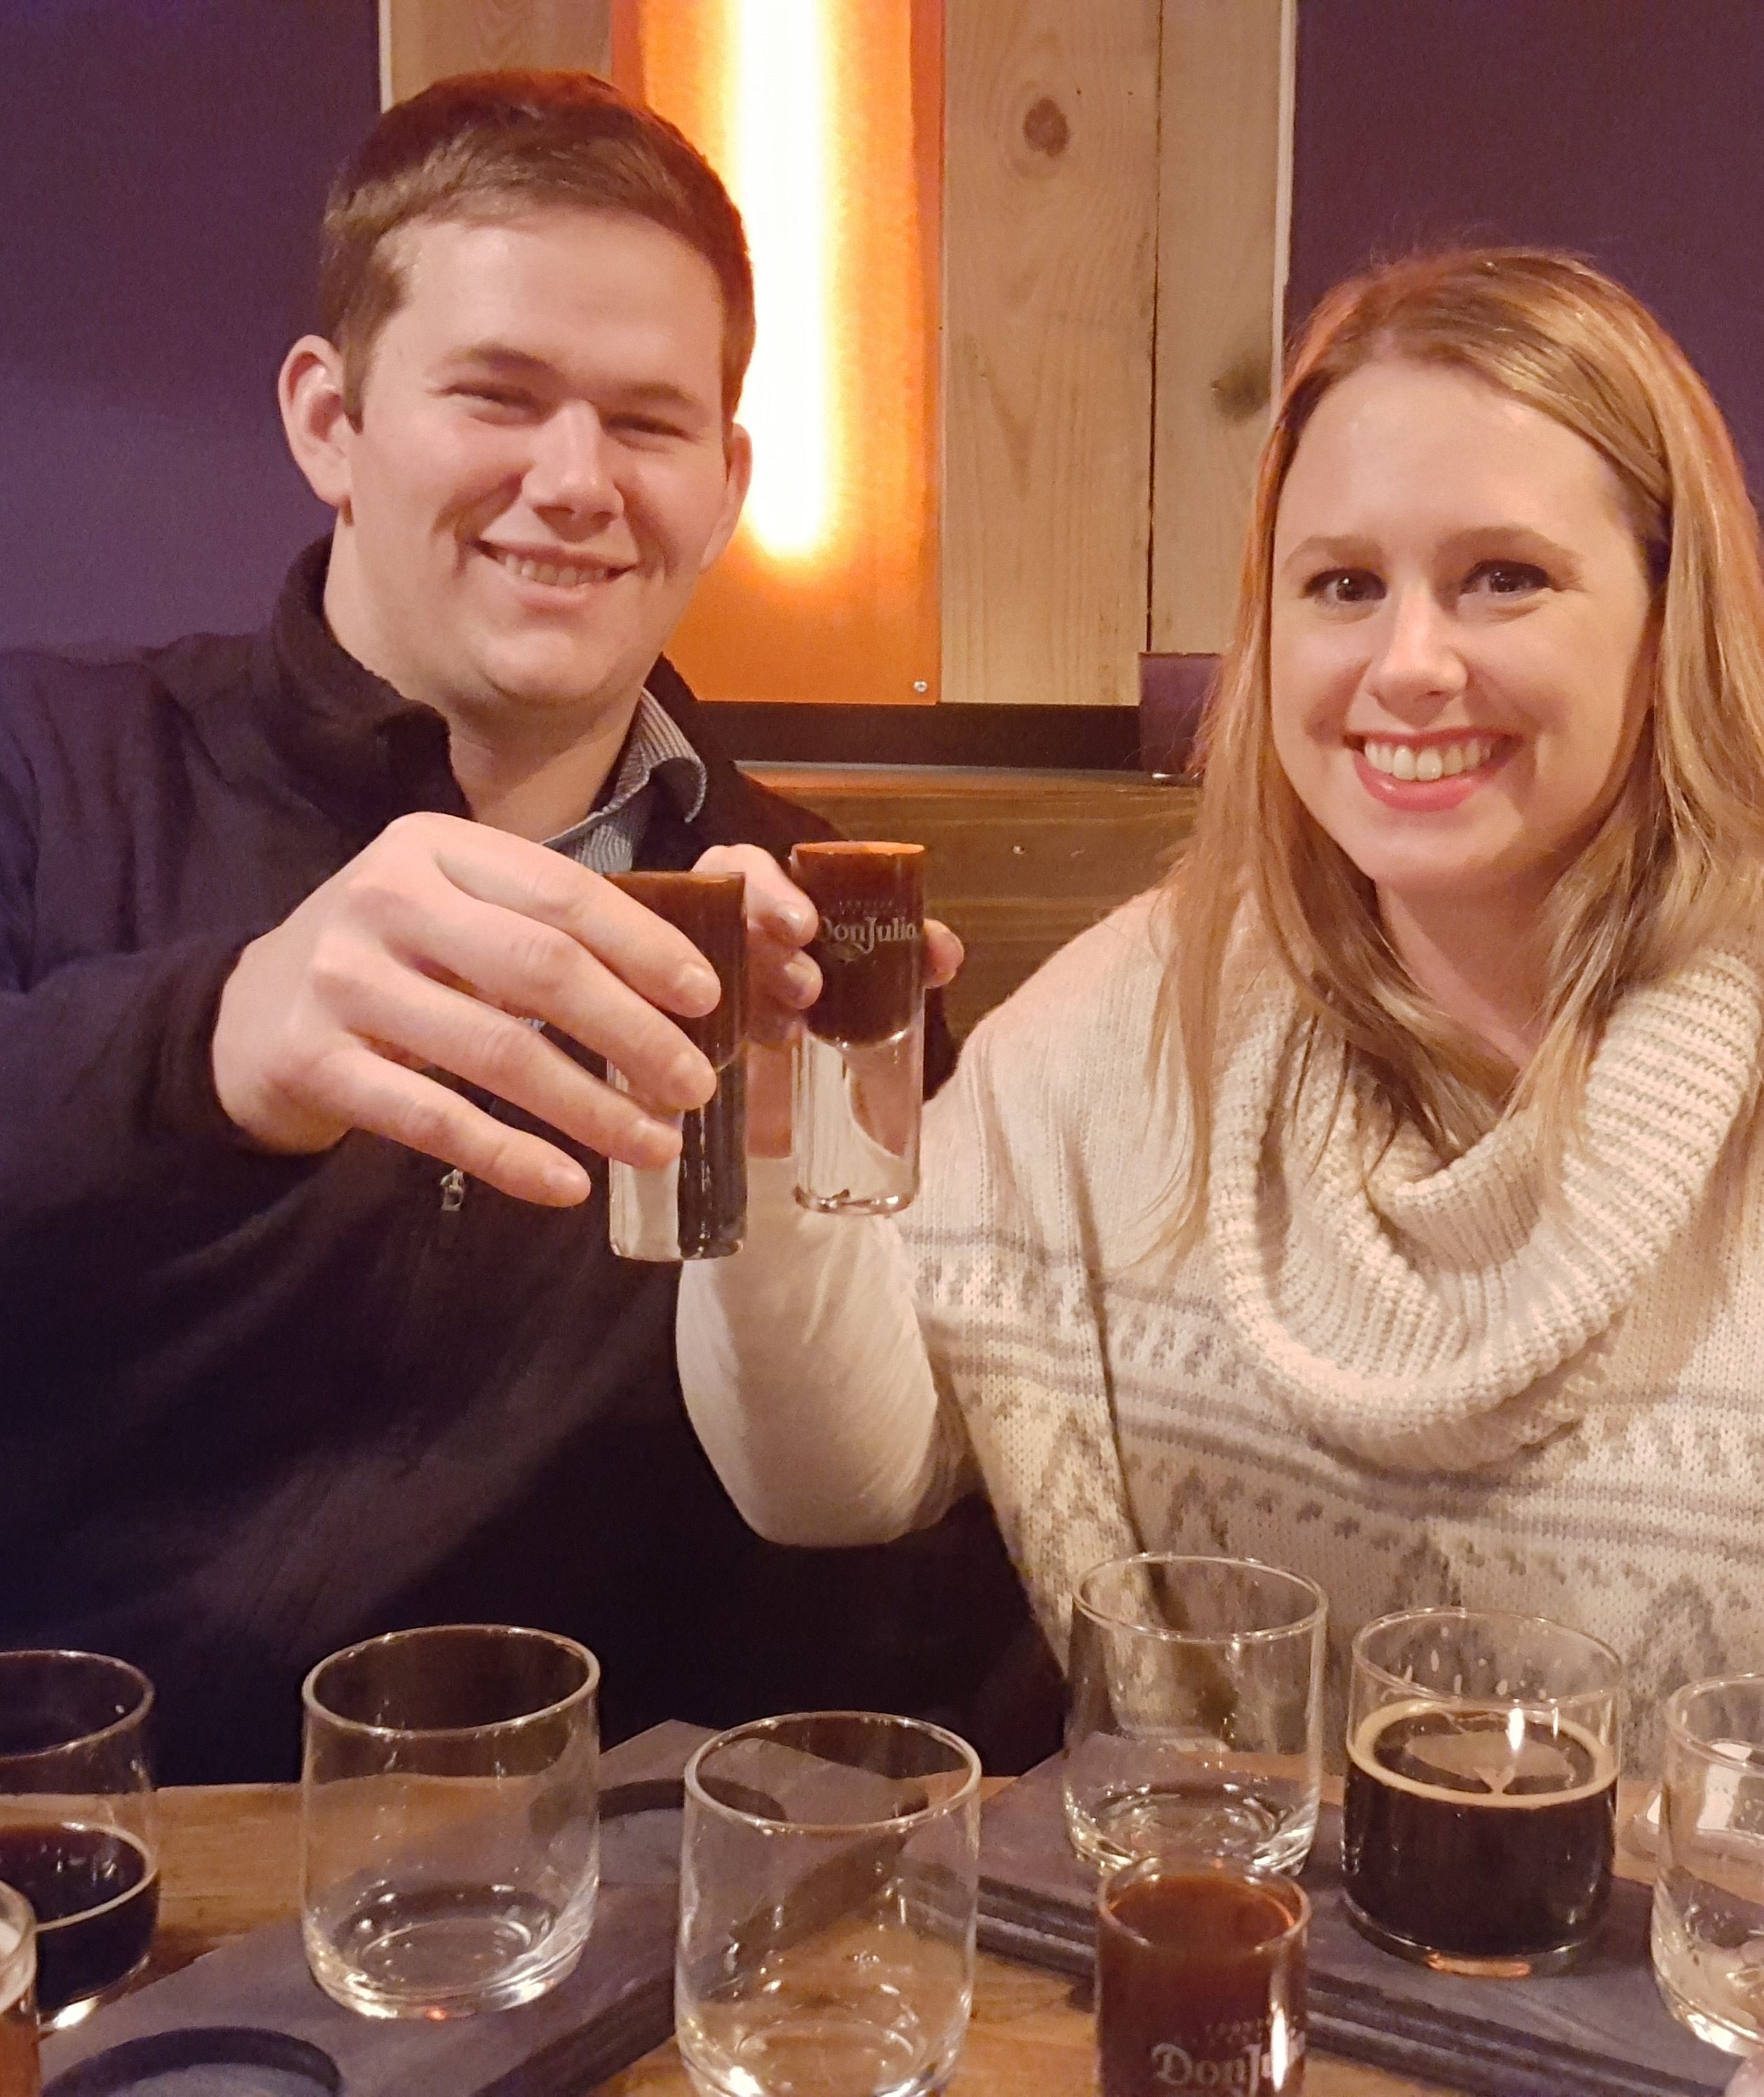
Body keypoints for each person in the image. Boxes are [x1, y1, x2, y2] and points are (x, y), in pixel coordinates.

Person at [684, 248, 1764, 1773]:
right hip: (1222, 1956)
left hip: (1758, 1994)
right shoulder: (1144, 1005)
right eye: (1343, 585)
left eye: (1506, 577)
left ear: (1664, 619)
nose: (1407, 665)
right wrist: (768, 1137)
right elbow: (829, 1481)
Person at [0, 69, 1041, 1783]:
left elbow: (863, 1548)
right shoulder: (59, 765)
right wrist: (211, 1048)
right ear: (328, 419)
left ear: (724, 479)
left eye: (646, 423)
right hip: (87, 1839)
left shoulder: (807, 927)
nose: (574, 481)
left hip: (574, 1897)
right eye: (498, 395)